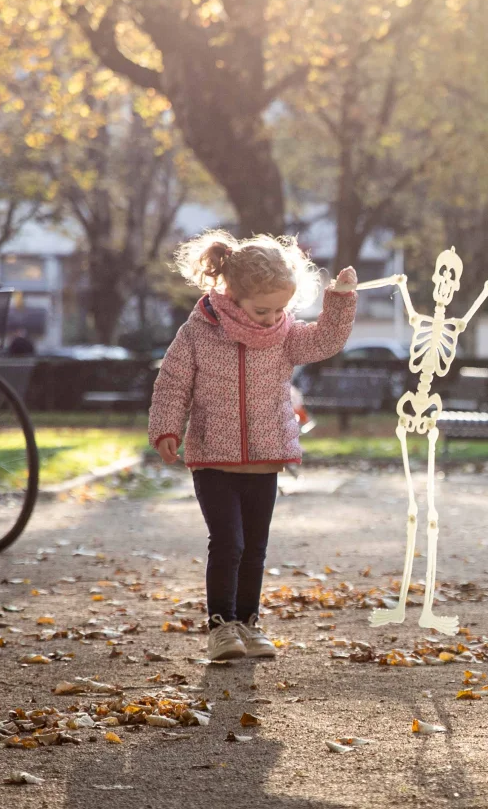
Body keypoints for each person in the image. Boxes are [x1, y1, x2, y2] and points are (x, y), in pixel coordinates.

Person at [148, 230, 357, 663]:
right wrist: (166, 428)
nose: (271, 318)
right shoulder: (199, 331)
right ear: (233, 295)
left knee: (255, 547)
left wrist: (339, 300)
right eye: (262, 309)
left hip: (264, 459)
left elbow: (325, 341)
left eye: (281, 308)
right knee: (229, 543)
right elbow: (173, 381)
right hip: (212, 458)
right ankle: (221, 626)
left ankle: (248, 622)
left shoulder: (284, 334)